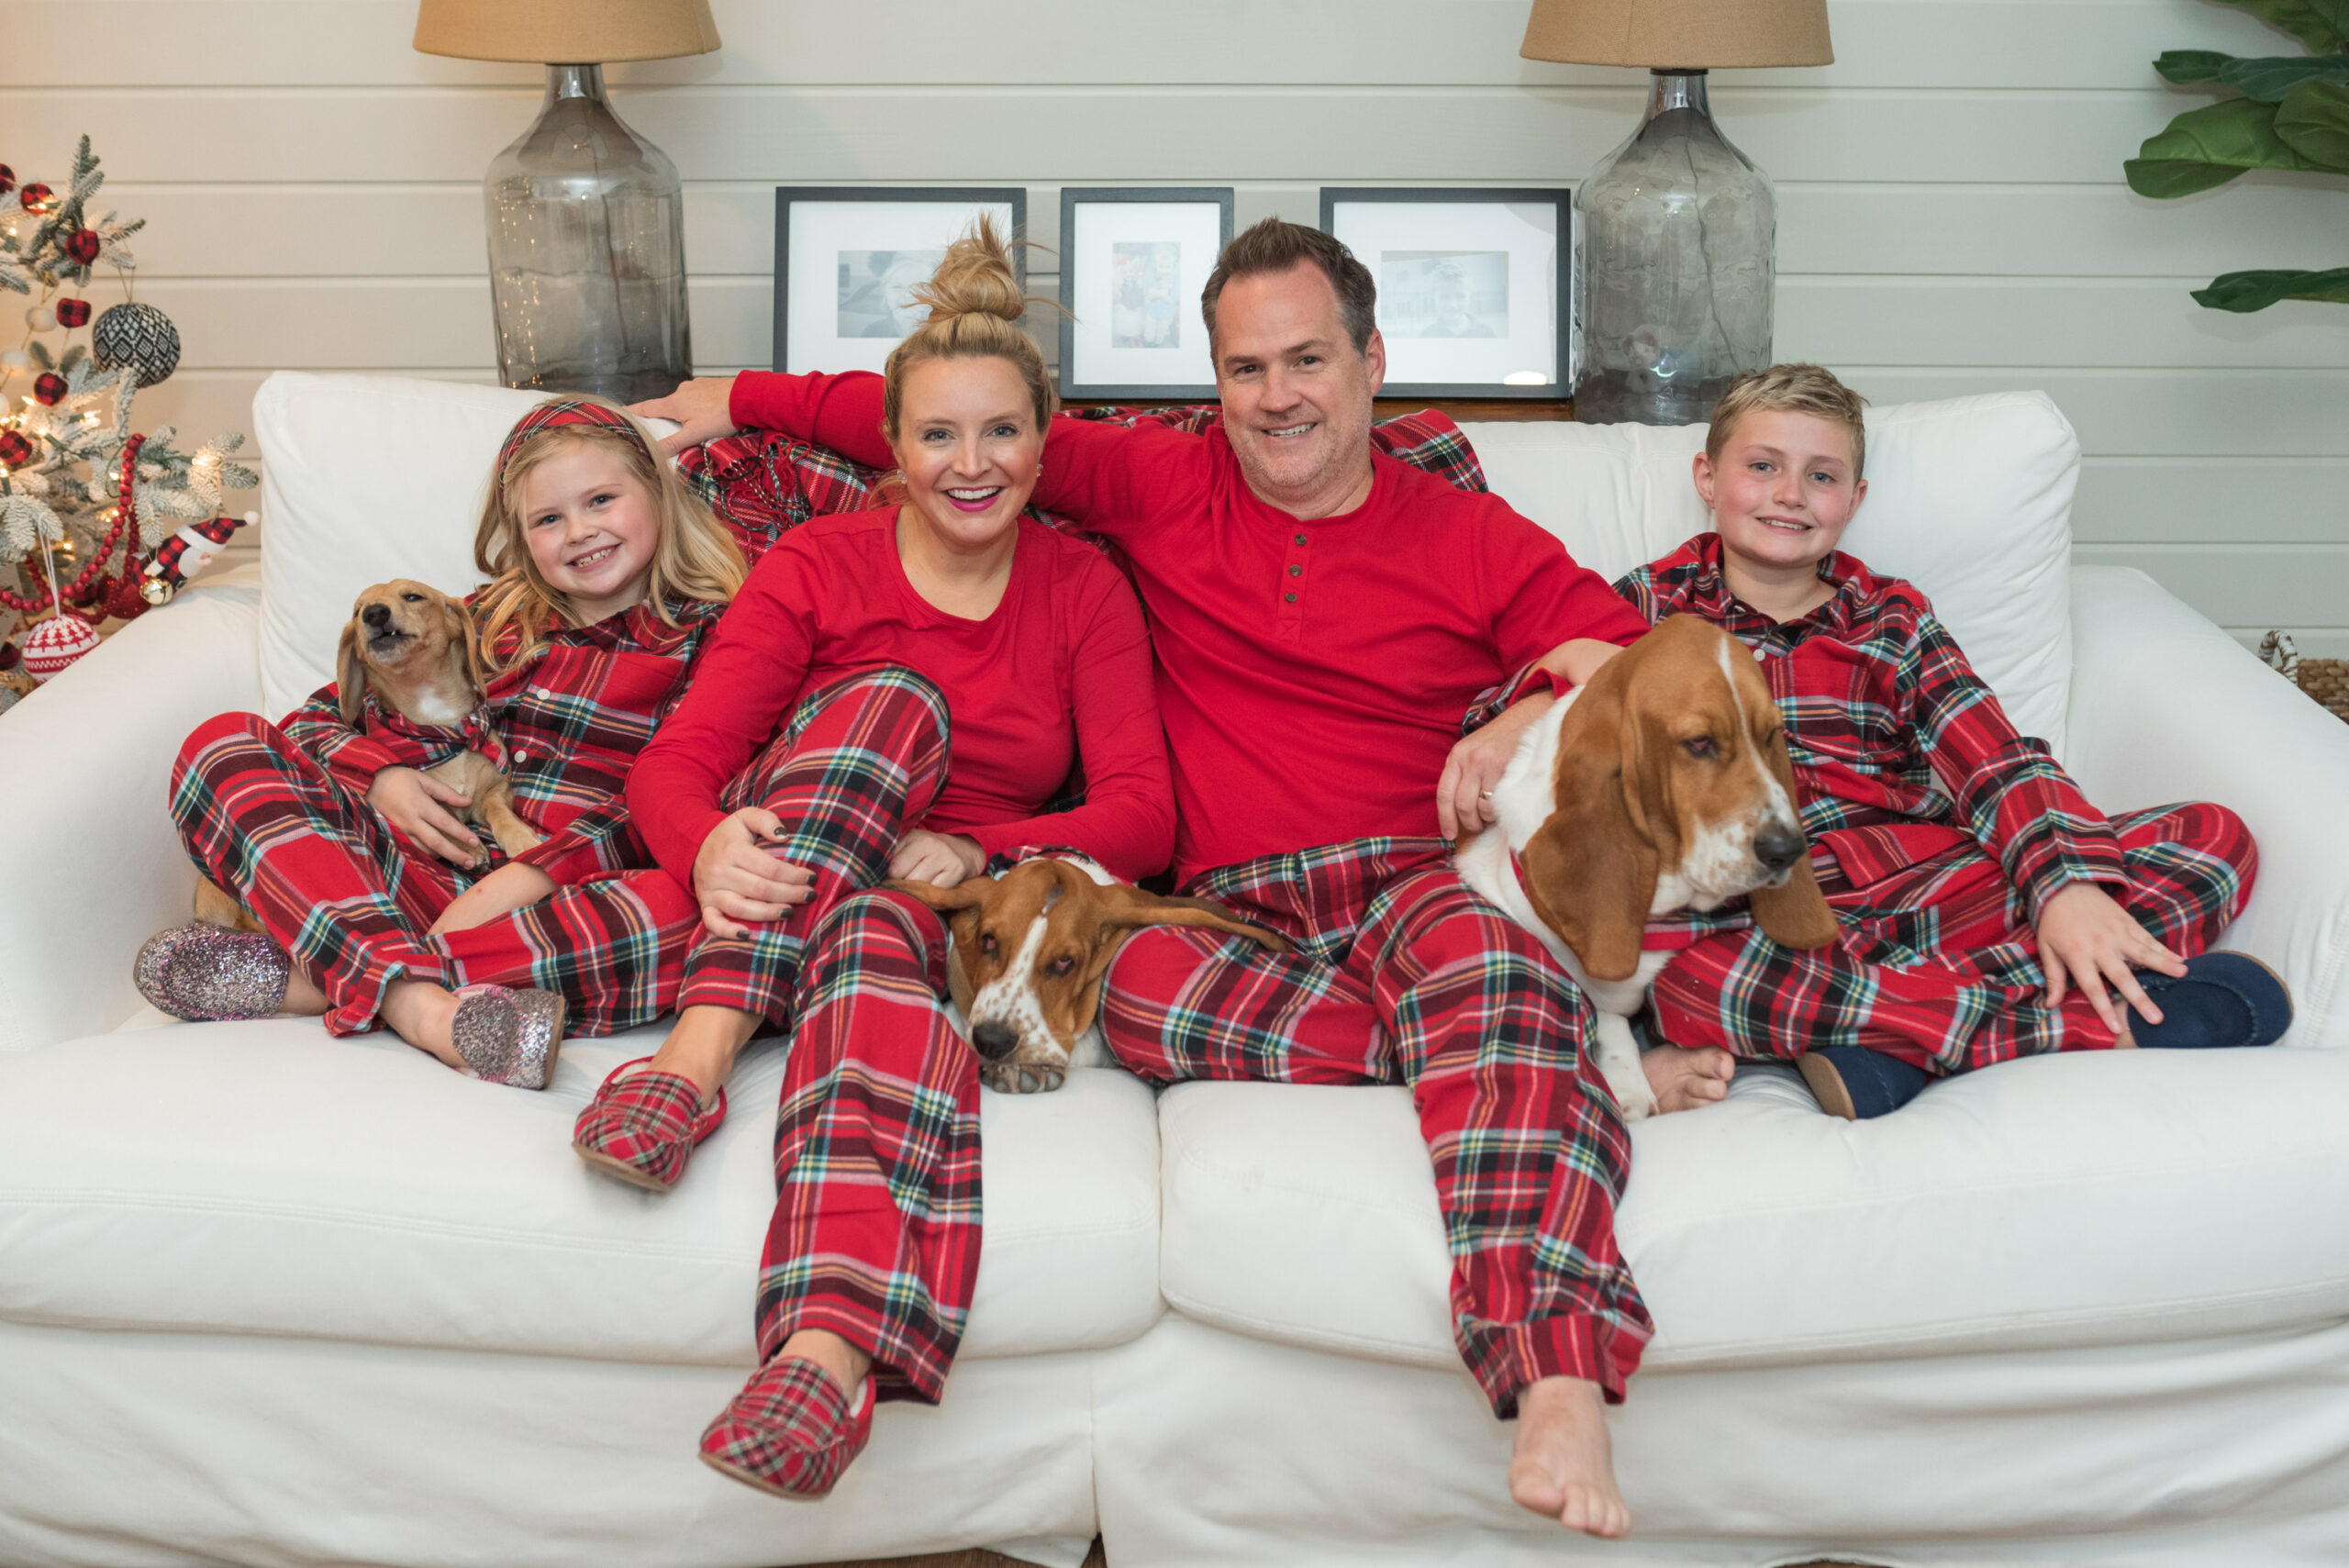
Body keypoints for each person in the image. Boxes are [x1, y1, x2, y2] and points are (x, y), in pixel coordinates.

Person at [639, 217, 1672, 1540]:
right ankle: (1522, 1050)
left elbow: (1638, 661)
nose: (1279, 396)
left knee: (1486, 961)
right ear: (1216, 386)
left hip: (1403, 876)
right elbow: (946, 415)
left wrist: (1520, 714)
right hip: (1212, 907)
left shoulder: (1467, 533)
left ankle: (1559, 1371)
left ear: (1373, 363)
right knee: (1121, 993)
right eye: (1246, 369)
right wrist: (737, 396)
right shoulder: (1161, 482)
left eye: (1308, 360)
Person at [584, 218, 1173, 1499]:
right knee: (888, 703)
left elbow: (1143, 812)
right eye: (939, 435)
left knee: (864, 947)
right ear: (892, 447)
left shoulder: (1082, 587)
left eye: (1004, 433)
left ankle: (824, 1357)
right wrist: (711, 845)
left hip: (914, 910)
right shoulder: (818, 561)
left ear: (1044, 441)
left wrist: (978, 854)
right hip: (784, 857)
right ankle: (702, 1040)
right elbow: (674, 768)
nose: (974, 465)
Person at [1620, 363, 2286, 1118]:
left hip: (1919, 884)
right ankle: (2067, 1022)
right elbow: (1559, 741)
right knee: (1683, 982)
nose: (1790, 494)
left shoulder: (1892, 617)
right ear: (1708, 477)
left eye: (1822, 475)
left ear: (1855, 500)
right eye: (1763, 466)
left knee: (2211, 838)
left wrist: (2062, 887)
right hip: (1748, 901)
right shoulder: (1644, 610)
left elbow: (1994, 759)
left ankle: (1880, 1037)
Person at [143, 398, 746, 1084]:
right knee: (222, 746)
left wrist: (523, 879)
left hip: (560, 899)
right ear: (521, 538)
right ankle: (424, 1007)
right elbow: (311, 724)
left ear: (658, 492)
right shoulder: (484, 618)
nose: (580, 531)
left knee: (681, 914)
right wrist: (379, 778)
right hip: (415, 877)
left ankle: (323, 977)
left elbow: (687, 789)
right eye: (548, 518)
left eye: (601, 499)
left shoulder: (710, 639)